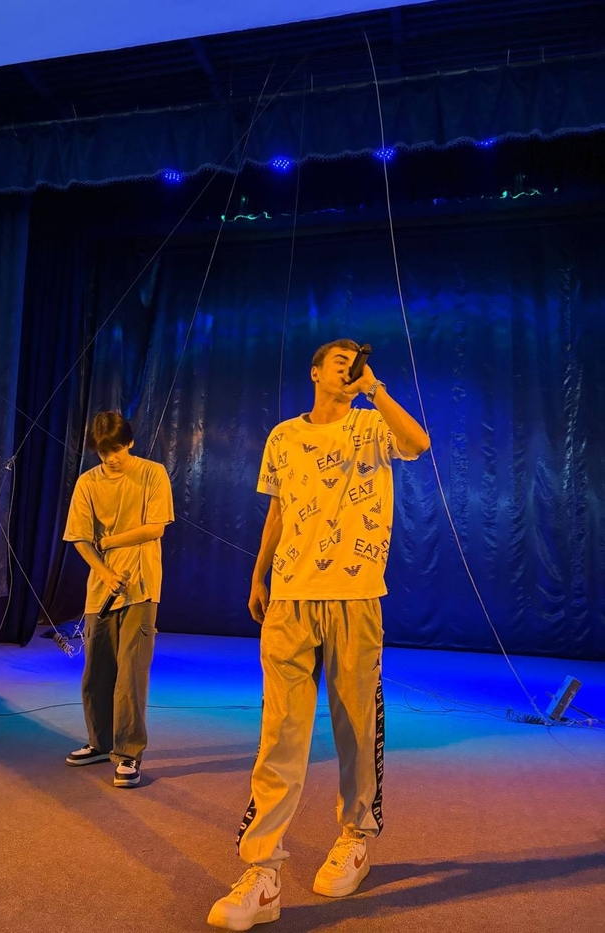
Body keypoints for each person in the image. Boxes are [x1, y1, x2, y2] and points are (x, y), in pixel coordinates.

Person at [207, 339, 430, 929]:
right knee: (279, 731)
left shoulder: (372, 424)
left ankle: (355, 837)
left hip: (355, 597)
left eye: (355, 358)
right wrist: (260, 573)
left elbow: (418, 444)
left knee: (356, 725)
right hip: (289, 598)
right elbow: (278, 511)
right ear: (314, 371)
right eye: (337, 357)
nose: (348, 363)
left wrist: (376, 390)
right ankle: (262, 872)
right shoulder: (283, 436)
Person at [63, 411, 174, 788]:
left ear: (130, 442)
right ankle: (100, 742)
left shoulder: (152, 473)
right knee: (96, 670)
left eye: (117, 449)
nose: (111, 457)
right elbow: (79, 537)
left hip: (141, 587)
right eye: (103, 451)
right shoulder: (87, 482)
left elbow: (155, 528)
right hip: (101, 589)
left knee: (130, 673)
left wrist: (109, 541)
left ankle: (128, 753)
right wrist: (105, 571)